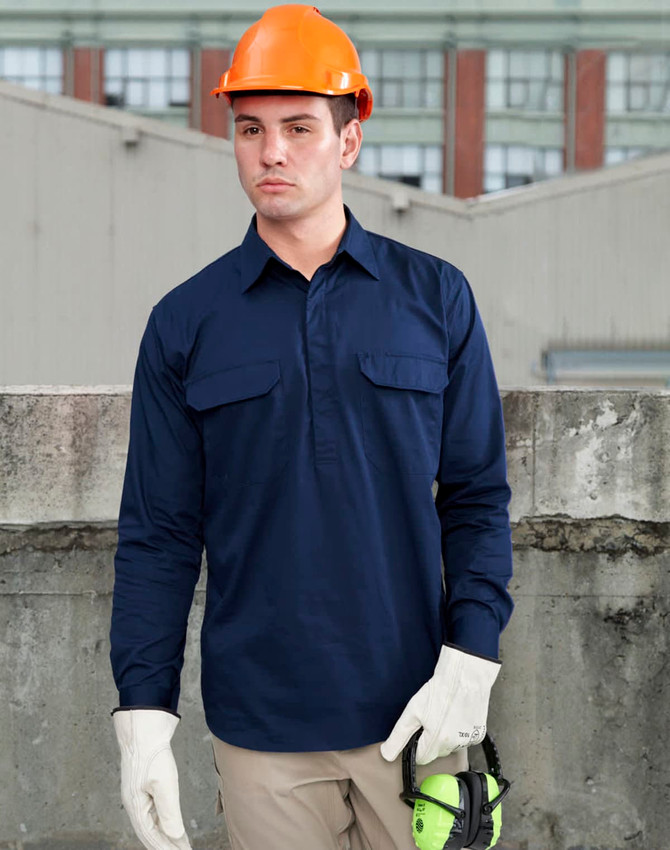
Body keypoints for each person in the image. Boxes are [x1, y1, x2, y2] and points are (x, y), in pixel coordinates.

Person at [109, 5, 514, 850]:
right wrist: (144, 711)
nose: (272, 152)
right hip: (261, 731)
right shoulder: (186, 322)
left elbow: (475, 496)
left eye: (299, 126)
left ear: (350, 140)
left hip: (420, 719)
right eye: (250, 128)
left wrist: (473, 654)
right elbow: (159, 534)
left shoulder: (436, 299)